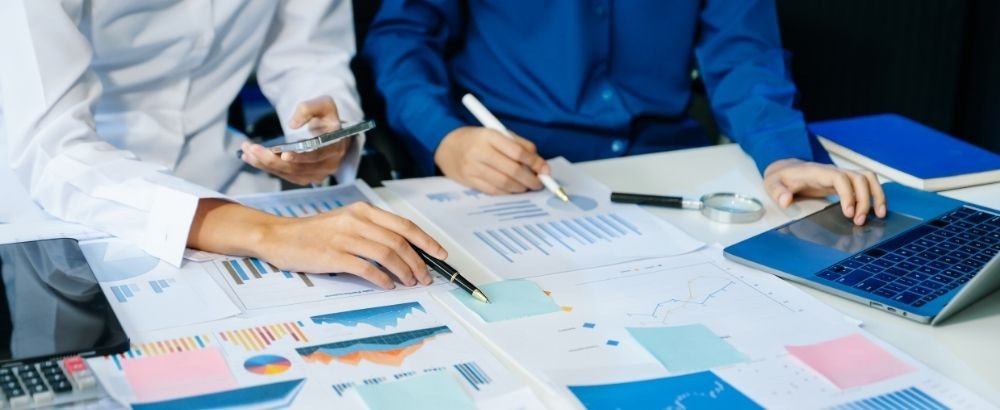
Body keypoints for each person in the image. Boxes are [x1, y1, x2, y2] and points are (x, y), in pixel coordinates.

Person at [0, 1, 445, 289]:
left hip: (226, 185)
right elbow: (51, 147)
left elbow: (307, 53)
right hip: (67, 205)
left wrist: (325, 132)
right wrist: (267, 233)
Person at [363, 0, 887, 226]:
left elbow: (743, 51)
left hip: (665, 167)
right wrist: (444, 136)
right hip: (507, 170)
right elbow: (403, 37)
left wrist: (782, 154)